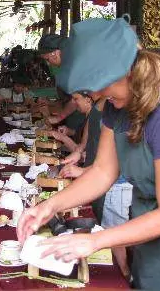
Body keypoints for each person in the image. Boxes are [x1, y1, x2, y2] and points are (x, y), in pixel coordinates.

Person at [17, 18, 160, 291]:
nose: (97, 96)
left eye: (98, 87)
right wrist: (49, 206)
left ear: (122, 72)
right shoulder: (117, 102)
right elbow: (102, 171)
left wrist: (94, 240)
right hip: (151, 217)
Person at [50, 93, 132, 278]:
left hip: (116, 185)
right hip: (100, 180)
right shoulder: (103, 107)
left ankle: (125, 276)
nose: (74, 102)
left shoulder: (119, 106)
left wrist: (84, 172)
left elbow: (117, 162)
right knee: (107, 226)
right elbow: (87, 143)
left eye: (77, 98)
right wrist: (78, 154)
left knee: (115, 231)